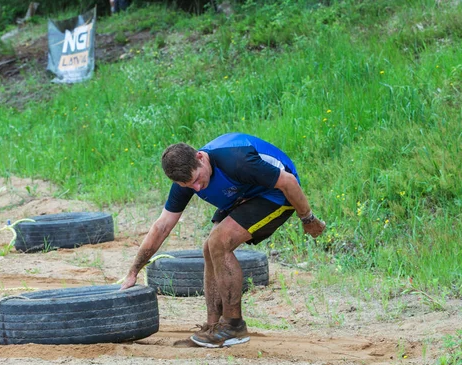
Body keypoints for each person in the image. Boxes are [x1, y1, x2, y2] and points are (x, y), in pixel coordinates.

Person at [120, 132, 326, 348]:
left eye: (197, 180)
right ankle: (213, 326)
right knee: (209, 248)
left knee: (219, 242)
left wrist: (308, 218)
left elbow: (289, 182)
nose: (197, 189)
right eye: (189, 186)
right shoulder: (186, 181)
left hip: (277, 193)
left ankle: (233, 326)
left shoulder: (236, 160)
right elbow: (161, 226)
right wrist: (134, 271)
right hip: (245, 192)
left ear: (200, 157)